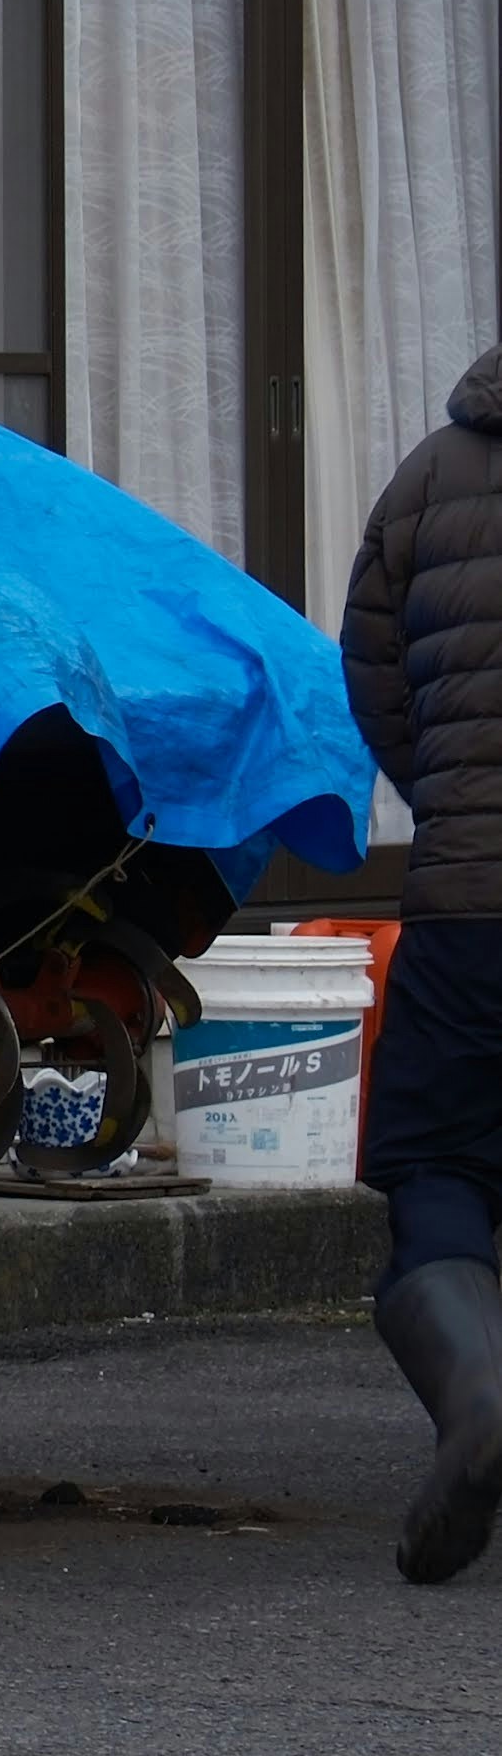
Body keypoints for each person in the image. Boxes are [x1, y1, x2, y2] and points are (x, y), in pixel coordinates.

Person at [337, 343, 502, 1583]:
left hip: (465, 902)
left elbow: (375, 675)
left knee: (440, 1167)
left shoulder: (430, 477)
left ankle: (479, 1397)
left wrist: (447, 802)